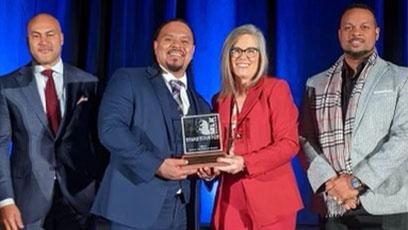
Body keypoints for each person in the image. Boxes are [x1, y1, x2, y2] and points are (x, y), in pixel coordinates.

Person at [91, 19, 210, 230]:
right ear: (156, 46)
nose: (177, 46)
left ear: (192, 51)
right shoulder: (128, 79)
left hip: (183, 212)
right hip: (133, 208)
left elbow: (204, 153)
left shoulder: (200, 103)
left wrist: (209, 169)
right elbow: (110, 130)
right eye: (169, 39)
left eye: (184, 41)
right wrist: (157, 166)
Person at [300, 3, 408, 229]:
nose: (356, 32)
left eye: (364, 27)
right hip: (335, 202)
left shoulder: (401, 78)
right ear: (339, 34)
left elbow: (404, 138)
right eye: (348, 27)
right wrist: (333, 184)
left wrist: (356, 182)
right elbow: (306, 138)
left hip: (386, 203)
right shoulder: (316, 83)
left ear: (376, 33)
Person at [0, 13, 106, 230]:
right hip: (28, 200)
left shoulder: (88, 82)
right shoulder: (7, 86)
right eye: (36, 35)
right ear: (27, 40)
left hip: (80, 199)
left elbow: (99, 143)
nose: (44, 42)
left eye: (50, 34)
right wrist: (5, 200)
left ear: (62, 38)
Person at [209, 24, 303, 230]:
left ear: (261, 57)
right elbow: (217, 149)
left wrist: (244, 162)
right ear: (228, 56)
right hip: (230, 197)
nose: (244, 56)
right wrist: (209, 168)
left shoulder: (276, 89)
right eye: (237, 50)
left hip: (271, 199)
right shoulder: (219, 99)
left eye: (251, 50)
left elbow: (289, 144)